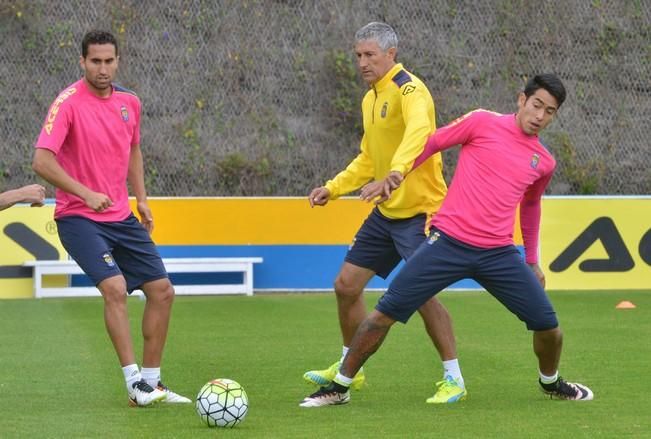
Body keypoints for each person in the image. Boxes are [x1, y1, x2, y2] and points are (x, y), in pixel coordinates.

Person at [300, 73, 595, 407]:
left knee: (549, 326)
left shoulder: (543, 162)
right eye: (537, 105)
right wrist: (395, 175)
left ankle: (551, 382)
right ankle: (340, 387)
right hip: (448, 243)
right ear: (521, 99)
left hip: (499, 254)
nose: (540, 115)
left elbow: (530, 207)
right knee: (383, 314)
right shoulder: (481, 122)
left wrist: (531, 260)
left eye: (549, 111)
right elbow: (430, 143)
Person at [303, 22, 467, 404]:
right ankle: (350, 369)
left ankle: (454, 377)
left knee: (421, 293)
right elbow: (367, 158)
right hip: (386, 212)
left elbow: (419, 136)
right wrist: (333, 187)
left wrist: (394, 175)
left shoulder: (412, 90)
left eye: (369, 55)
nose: (362, 62)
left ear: (391, 54)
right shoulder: (370, 99)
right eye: (358, 55)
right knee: (345, 285)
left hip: (420, 211)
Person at [32, 30, 190, 407]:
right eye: (95, 61)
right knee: (115, 288)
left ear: (118, 61)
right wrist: (84, 193)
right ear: (82, 62)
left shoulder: (129, 102)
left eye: (109, 61)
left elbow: (133, 150)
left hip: (120, 216)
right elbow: (41, 161)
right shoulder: (67, 102)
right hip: (78, 217)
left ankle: (152, 385)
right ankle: (133, 381)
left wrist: (143, 200)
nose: (103, 69)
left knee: (163, 292)